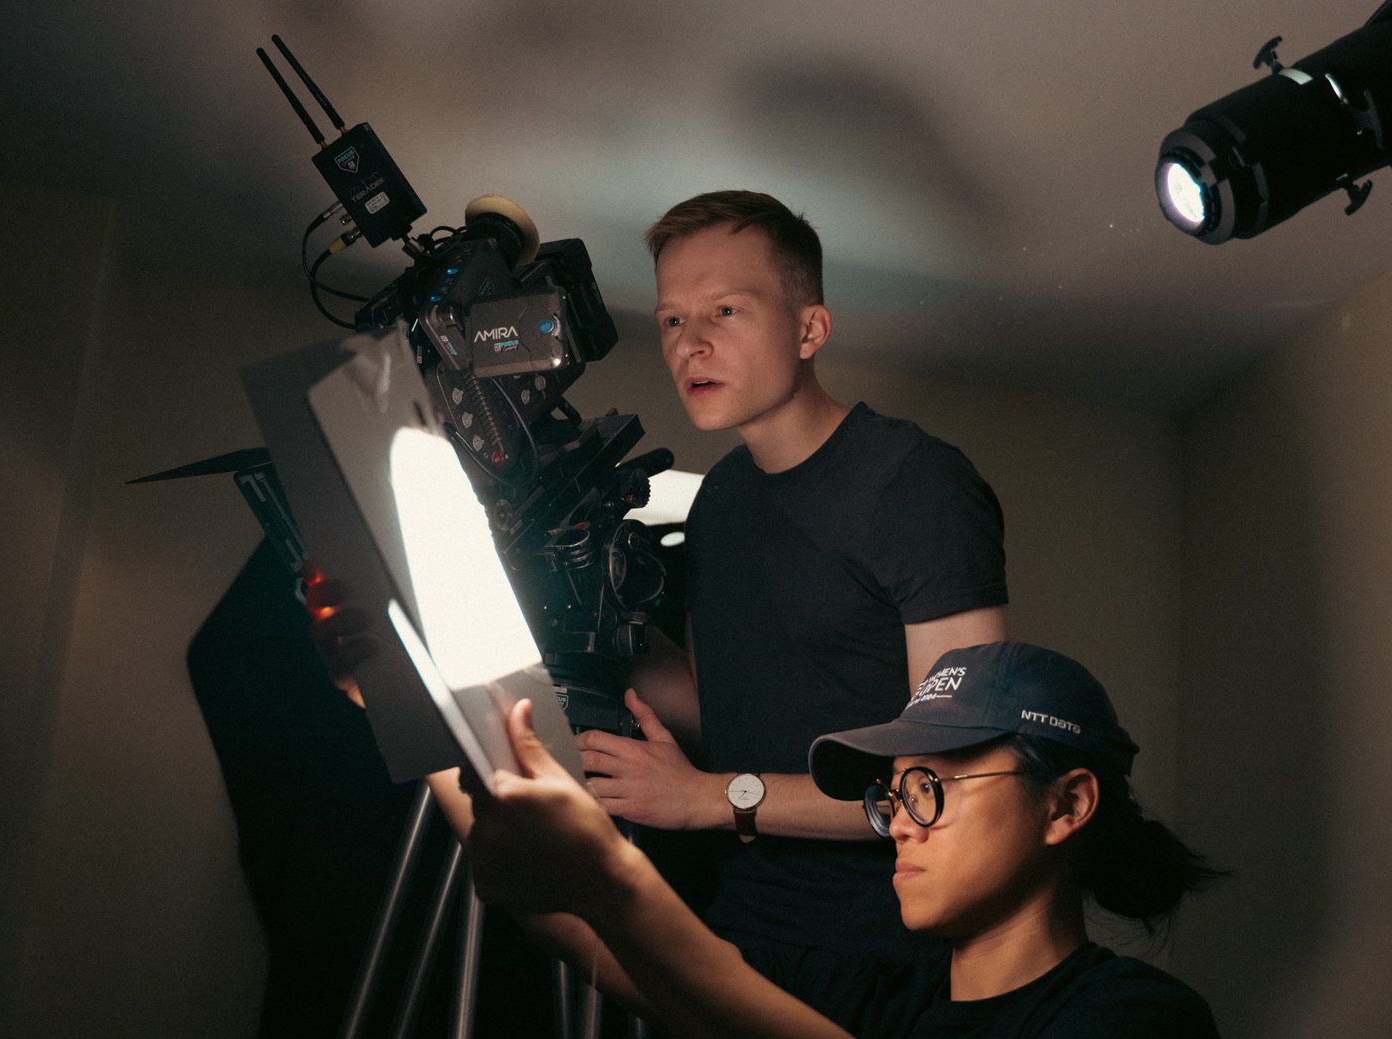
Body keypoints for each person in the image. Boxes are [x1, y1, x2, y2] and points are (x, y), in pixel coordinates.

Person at [306, 190, 1011, 1019]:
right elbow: (727, 712)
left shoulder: (914, 486)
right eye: (673, 320)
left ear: (809, 329)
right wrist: (557, 616)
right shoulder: (721, 501)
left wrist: (713, 798)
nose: (691, 344)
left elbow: (959, 783)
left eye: (725, 310)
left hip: (891, 956)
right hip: (740, 929)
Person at [462, 641, 1225, 1038]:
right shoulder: (871, 996)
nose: (897, 819)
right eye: (892, 793)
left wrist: (617, 882)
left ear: (1065, 806)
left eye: (928, 789)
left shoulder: (1139, 1019)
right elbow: (566, 920)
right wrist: (417, 710)